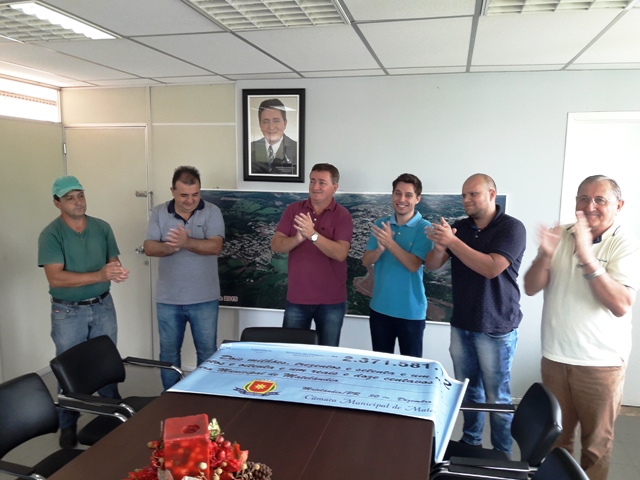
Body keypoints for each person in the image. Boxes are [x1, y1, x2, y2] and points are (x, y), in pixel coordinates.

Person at [523, 175, 640, 480]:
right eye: (583, 199)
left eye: (600, 200)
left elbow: (621, 304)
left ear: (619, 205)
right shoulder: (561, 234)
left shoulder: (624, 244)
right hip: (555, 357)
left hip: (601, 365)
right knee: (555, 441)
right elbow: (531, 287)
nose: (590, 206)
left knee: (596, 448)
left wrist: (588, 258)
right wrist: (545, 255)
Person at [424, 173, 526, 455]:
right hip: (462, 323)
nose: (466, 200)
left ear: (491, 194)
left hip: (496, 327)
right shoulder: (460, 227)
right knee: (468, 392)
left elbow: (491, 268)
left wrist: (452, 242)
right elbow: (432, 265)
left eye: (473, 194)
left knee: (497, 397)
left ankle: (502, 455)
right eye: (464, 195)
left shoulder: (512, 228)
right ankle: (471, 443)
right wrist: (440, 246)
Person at [38, 175, 129, 448]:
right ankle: (68, 424)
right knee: (69, 370)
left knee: (106, 364)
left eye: (80, 195)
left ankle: (113, 413)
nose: (78, 202)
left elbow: (112, 260)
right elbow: (56, 278)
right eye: (70, 198)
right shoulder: (51, 234)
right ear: (57, 203)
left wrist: (115, 270)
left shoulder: (102, 227)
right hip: (68, 312)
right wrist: (99, 274)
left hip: (103, 305)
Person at [144, 166, 225, 390]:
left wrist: (186, 242)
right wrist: (171, 247)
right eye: (184, 195)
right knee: (169, 353)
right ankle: (170, 398)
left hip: (205, 298)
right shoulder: (159, 212)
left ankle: (205, 397)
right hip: (168, 299)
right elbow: (149, 247)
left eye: (195, 194)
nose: (190, 201)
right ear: (172, 191)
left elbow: (215, 246)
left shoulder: (212, 211)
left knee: (207, 352)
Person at [270, 163, 353, 346]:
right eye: (312, 181)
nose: (315, 187)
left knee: (327, 356)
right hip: (297, 299)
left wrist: (313, 235)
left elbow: (340, 253)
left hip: (332, 302)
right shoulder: (293, 210)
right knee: (291, 354)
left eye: (322, 182)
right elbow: (276, 245)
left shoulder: (342, 215)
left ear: (335, 187)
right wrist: (298, 238)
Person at [362, 173, 433, 357]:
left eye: (408, 195)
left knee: (411, 368)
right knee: (381, 366)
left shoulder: (425, 228)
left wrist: (390, 243)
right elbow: (366, 261)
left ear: (418, 199)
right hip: (379, 309)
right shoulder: (381, 224)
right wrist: (379, 249)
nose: (402, 199)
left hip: (411, 313)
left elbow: (413, 265)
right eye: (397, 193)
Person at [250, 98, 298, 175]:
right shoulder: (250, 148)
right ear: (260, 125)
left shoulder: (297, 149)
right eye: (266, 122)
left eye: (276, 121)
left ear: (285, 123)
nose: (271, 127)